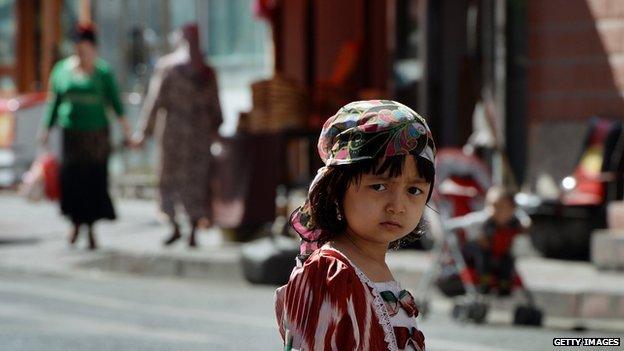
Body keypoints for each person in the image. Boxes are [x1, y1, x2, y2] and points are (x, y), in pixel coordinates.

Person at [275, 100, 435, 350]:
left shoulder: (370, 265)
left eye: (414, 190)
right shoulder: (330, 274)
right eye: (379, 186)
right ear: (337, 189)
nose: (397, 205)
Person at [39, 23, 131, 250]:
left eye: (85, 47)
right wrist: (46, 128)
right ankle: (75, 223)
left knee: (93, 180)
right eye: (78, 47)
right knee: (72, 180)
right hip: (72, 135)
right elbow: (55, 101)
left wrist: (127, 130)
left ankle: (90, 228)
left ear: (93, 48)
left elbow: (116, 106)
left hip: (96, 136)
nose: (81, 52)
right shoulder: (62, 70)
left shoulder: (102, 73)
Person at [131, 23, 222, 248]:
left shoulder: (168, 67)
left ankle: (175, 225)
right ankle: (191, 228)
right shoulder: (206, 71)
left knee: (169, 181)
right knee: (195, 181)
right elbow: (216, 108)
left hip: (173, 135)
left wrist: (144, 131)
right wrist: (216, 130)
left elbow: (155, 101)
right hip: (198, 137)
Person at [451, 186, 531, 296]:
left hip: (499, 254)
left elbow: (524, 221)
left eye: (501, 207)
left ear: (512, 210)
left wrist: (526, 225)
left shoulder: (515, 222)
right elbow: (461, 223)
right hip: (475, 255)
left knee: (508, 260)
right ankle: (484, 282)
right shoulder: (483, 219)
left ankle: (504, 284)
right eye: (490, 206)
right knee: (482, 253)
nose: (494, 210)